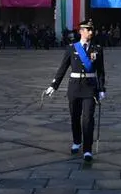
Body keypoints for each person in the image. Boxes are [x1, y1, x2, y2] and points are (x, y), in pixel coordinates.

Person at [45, 20, 107, 162]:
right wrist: (53, 85)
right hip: (74, 87)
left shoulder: (97, 49)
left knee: (88, 119)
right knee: (75, 117)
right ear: (81, 31)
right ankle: (77, 141)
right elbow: (62, 68)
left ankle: (87, 149)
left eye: (92, 29)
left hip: (90, 87)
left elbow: (101, 71)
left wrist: (102, 88)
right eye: (88, 29)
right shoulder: (72, 48)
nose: (91, 32)